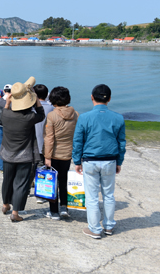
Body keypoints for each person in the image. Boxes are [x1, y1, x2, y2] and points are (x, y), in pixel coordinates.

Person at [73, 84, 126, 239]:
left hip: (90, 160)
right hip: (110, 160)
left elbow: (78, 142)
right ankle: (109, 226)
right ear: (109, 99)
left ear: (91, 97)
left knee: (92, 196)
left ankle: (95, 229)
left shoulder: (84, 117)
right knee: (109, 194)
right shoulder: (118, 118)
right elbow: (121, 143)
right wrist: (119, 161)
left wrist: (77, 161)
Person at [0, 77, 45, 223]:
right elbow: (41, 113)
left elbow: (2, 113)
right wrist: (36, 99)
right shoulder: (30, 117)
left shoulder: (5, 114)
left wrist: (7, 103)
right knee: (21, 184)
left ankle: (5, 204)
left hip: (7, 154)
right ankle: (15, 212)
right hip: (24, 156)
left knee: (7, 180)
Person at [43, 86, 78, 220]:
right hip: (68, 153)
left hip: (54, 154)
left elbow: (49, 138)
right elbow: (77, 135)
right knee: (64, 181)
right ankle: (64, 207)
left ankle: (54, 212)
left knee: (52, 183)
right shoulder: (76, 114)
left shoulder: (52, 115)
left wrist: (47, 156)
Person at [30, 84, 55, 203]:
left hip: (30, 143)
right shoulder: (51, 109)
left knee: (29, 167)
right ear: (47, 95)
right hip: (45, 144)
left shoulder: (30, 108)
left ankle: (25, 190)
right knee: (42, 168)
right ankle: (40, 195)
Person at [0, 84, 12, 171]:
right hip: (11, 127)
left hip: (0, 126)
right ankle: (10, 166)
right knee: (10, 146)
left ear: (4, 91)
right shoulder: (14, 101)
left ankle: (2, 166)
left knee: (1, 146)